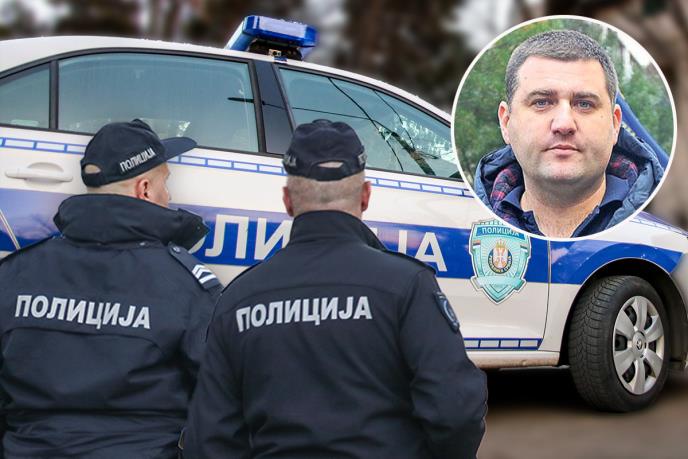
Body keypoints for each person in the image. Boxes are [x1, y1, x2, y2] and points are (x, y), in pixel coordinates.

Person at [184, 119, 487, 458]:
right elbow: (455, 410)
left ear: (288, 200)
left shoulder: (237, 299)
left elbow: (208, 440)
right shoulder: (407, 285)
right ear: (366, 196)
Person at [0, 119, 221, 458]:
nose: (169, 196)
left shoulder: (15, 273)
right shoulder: (185, 284)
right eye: (165, 184)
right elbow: (221, 395)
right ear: (144, 189)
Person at [473, 29, 664, 238]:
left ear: (615, 124)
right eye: (541, 102)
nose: (564, 124)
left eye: (584, 104)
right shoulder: (460, 219)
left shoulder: (670, 223)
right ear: (506, 122)